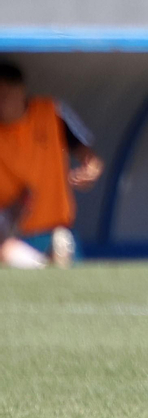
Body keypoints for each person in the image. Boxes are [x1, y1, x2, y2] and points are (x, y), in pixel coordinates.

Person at [0, 61, 102, 269]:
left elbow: (90, 157)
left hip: (55, 231)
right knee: (7, 251)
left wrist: (90, 172)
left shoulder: (51, 111)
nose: (2, 102)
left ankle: (49, 262)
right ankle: (44, 265)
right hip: (11, 235)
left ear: (21, 91)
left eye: (5, 94)